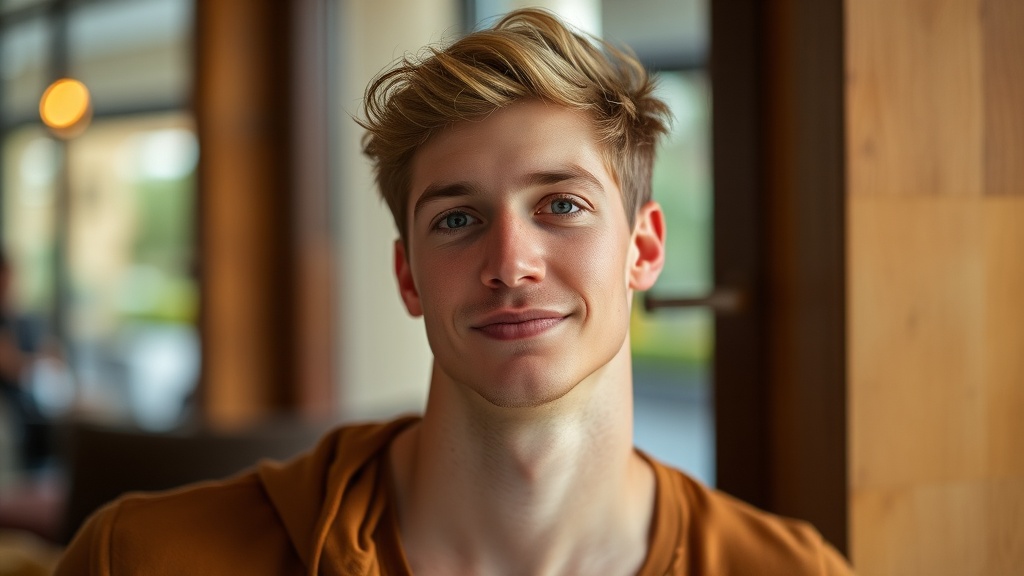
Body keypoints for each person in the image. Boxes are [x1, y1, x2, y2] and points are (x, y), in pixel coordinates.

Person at [57, 9, 853, 575]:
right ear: (407, 276)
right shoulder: (145, 557)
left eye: (562, 206)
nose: (511, 263)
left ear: (643, 248)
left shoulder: (790, 571)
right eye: (458, 219)